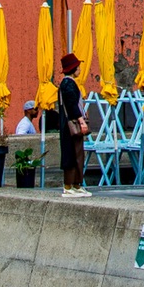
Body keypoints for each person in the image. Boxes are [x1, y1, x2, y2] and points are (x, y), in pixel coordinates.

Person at [57, 52, 87, 194]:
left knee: (77, 154)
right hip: (71, 125)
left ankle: (76, 184)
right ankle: (69, 185)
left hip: (69, 123)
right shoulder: (68, 84)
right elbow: (72, 105)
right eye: (78, 67)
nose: (80, 70)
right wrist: (81, 120)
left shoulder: (68, 83)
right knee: (73, 154)